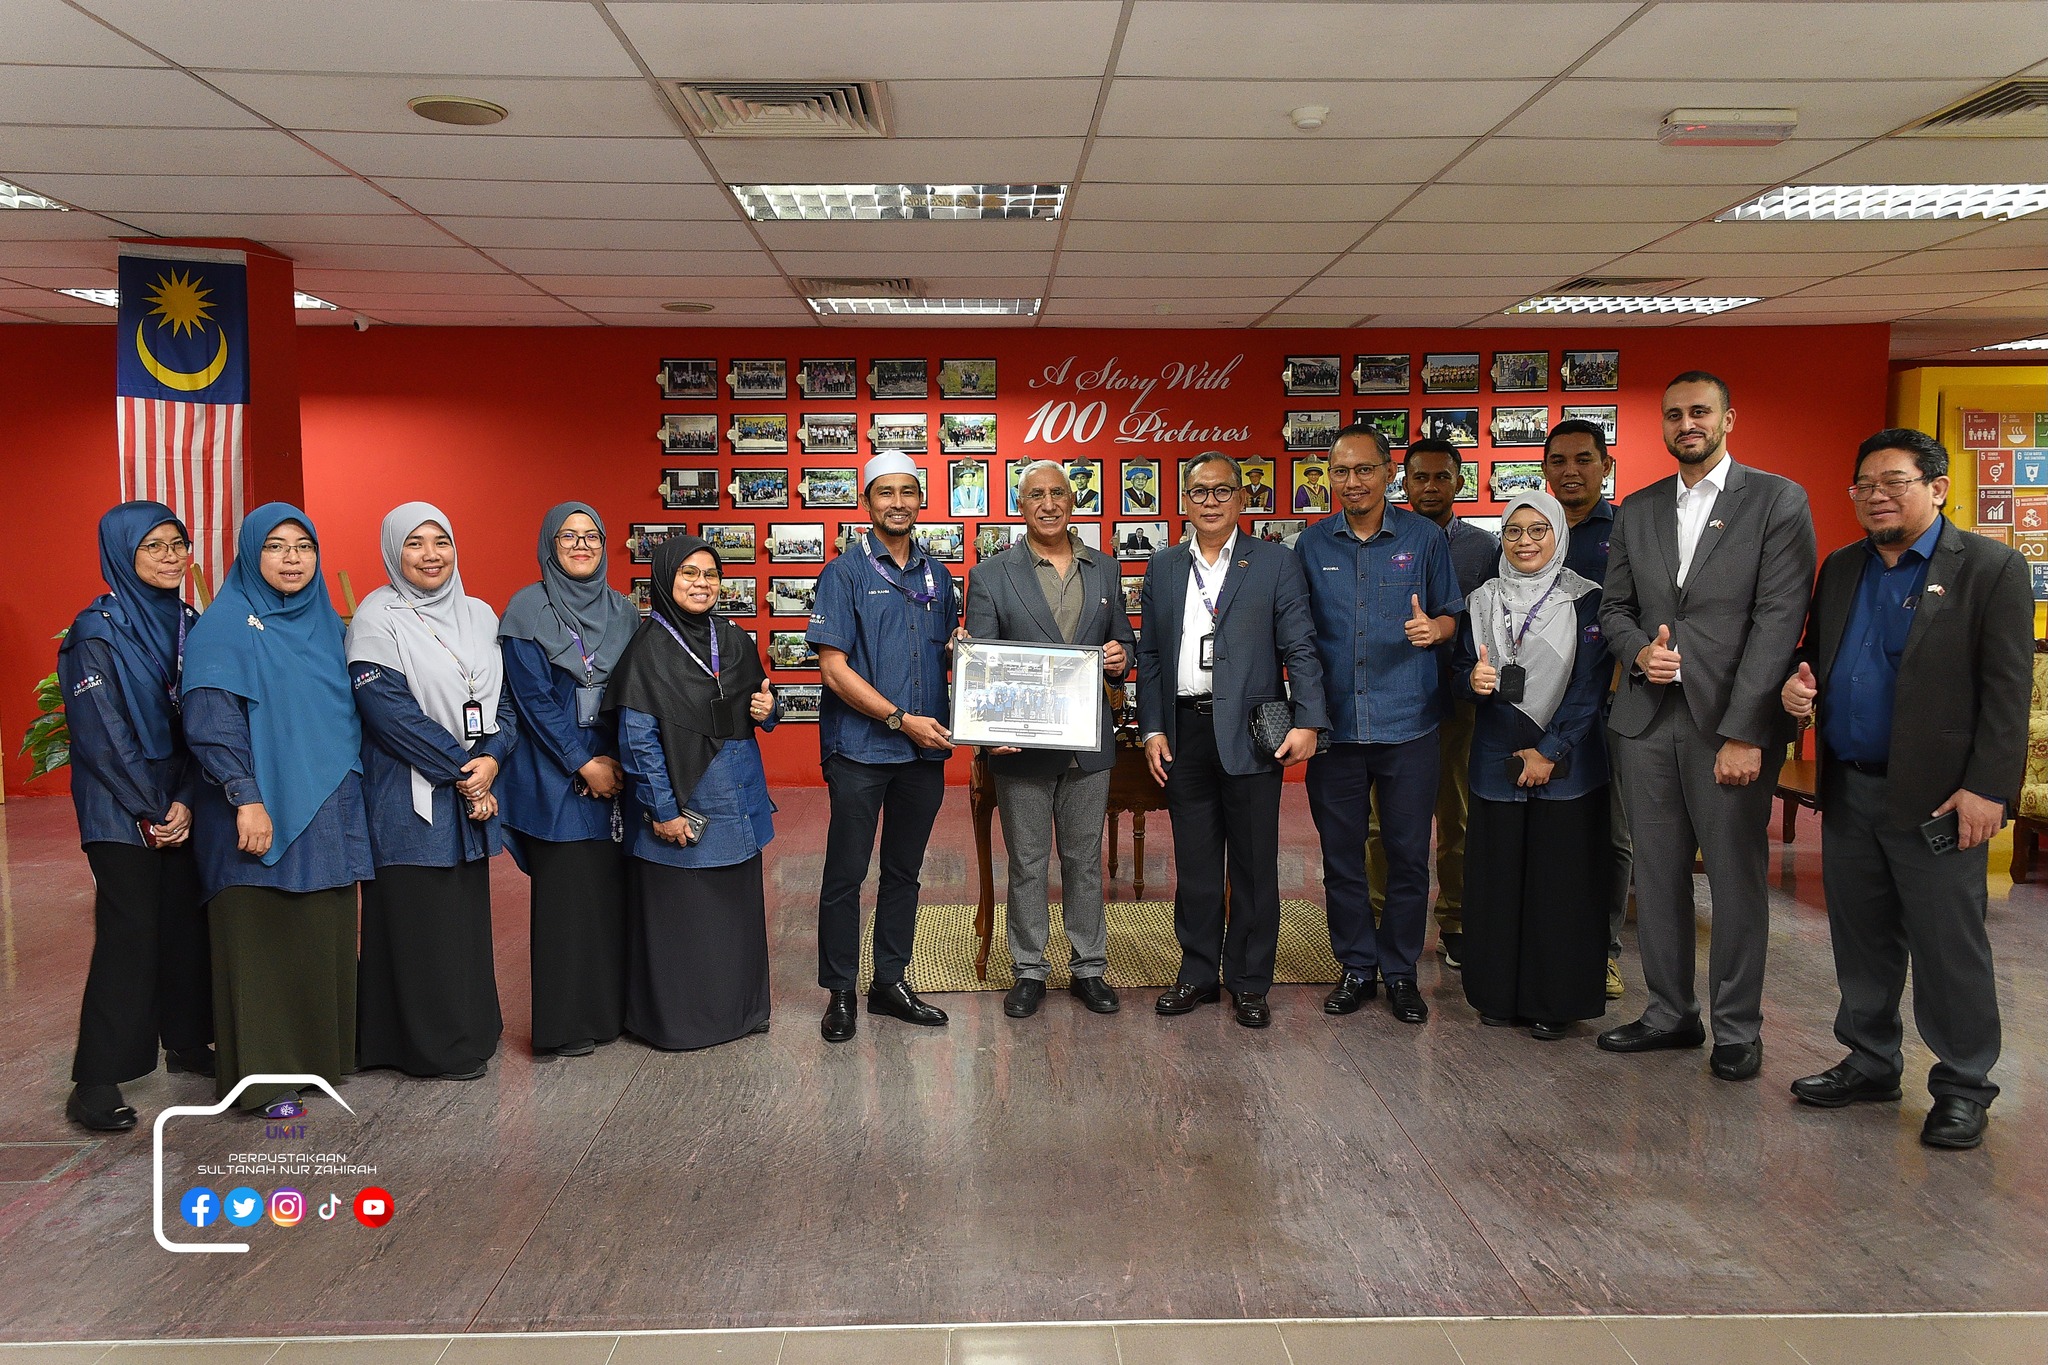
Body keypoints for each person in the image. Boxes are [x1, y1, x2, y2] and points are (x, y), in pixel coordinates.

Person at [1780, 428, 2031, 1150]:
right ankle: (1870, 1060)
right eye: (1863, 484)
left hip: (1940, 799)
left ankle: (1962, 1086)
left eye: (1894, 482)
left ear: (1938, 488)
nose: (1876, 496)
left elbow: (2008, 692)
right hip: (1851, 787)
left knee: (1949, 947)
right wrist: (1797, 687)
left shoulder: (1990, 568)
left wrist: (1988, 789)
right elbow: (1815, 655)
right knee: (1862, 938)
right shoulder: (1842, 567)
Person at [1598, 372, 1815, 1081]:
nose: (1686, 423)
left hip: (1729, 725)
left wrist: (1747, 731)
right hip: (1646, 720)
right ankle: (1670, 1013)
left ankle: (1737, 1028)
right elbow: (1614, 609)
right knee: (1657, 875)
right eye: (1674, 414)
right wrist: (1640, 652)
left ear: (1729, 419)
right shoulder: (1637, 508)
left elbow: (1779, 620)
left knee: (1734, 879)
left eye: (1700, 412)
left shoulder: (1777, 500)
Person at [182, 504, 373, 1119]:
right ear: (249, 554)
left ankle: (317, 1062)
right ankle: (264, 1081)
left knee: (320, 930)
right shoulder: (223, 627)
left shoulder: (326, 623)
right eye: (275, 546)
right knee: (260, 939)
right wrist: (247, 797)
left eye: (304, 546)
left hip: (328, 802)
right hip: (255, 807)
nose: (292, 559)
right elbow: (211, 721)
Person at [1139, 452, 1327, 1028]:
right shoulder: (1164, 567)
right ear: (1184, 501)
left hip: (1251, 732)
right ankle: (1197, 973)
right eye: (1200, 491)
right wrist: (1152, 728)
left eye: (1222, 491)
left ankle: (1248, 981)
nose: (1211, 501)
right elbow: (1150, 656)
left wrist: (1309, 721)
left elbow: (1300, 646)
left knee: (1253, 865)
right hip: (1185, 732)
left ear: (1242, 499)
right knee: (1195, 866)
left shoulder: (1274, 562)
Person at [1295, 425, 1464, 1026]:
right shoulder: (1311, 545)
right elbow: (1297, 634)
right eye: (1341, 472)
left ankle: (1400, 972)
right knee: (1341, 858)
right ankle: (1356, 967)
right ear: (1329, 478)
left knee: (1408, 857)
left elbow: (1453, 613)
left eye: (1364, 469)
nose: (1353, 482)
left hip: (1409, 723)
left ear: (1389, 473)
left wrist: (1435, 630)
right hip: (1335, 729)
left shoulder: (1424, 539)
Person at [57, 502, 212, 1131]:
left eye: (178, 544)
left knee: (185, 924)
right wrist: (152, 807)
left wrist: (185, 799)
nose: (171, 557)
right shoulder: (95, 631)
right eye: (154, 546)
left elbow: (203, 720)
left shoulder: (191, 624)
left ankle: (188, 1042)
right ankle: (96, 1080)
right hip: (119, 807)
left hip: (180, 800)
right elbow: (102, 735)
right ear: (123, 553)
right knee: (131, 934)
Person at [347, 503, 515, 1082]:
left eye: (440, 541)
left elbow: (505, 701)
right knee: (418, 921)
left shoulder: (479, 614)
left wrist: (491, 756)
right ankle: (431, 1047)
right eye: (414, 543)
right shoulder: (376, 617)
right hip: (407, 797)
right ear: (393, 551)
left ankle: (471, 1030)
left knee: (461, 920)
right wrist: (467, 770)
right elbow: (388, 714)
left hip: (471, 788)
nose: (430, 555)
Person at [964, 460, 1136, 1019]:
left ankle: (1089, 967)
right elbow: (981, 663)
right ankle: (1029, 969)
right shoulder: (992, 575)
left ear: (1072, 500)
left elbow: (1124, 643)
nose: (1048, 503)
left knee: (1083, 861)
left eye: (1057, 493)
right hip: (1022, 746)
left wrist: (1121, 658)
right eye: (1036, 494)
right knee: (1028, 861)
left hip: (1088, 743)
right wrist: (987, 734)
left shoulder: (1105, 568)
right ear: (1021, 506)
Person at [806, 452, 961, 1041]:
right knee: (845, 874)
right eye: (885, 493)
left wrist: (964, 649)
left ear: (920, 499)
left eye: (907, 492)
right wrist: (901, 720)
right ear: (866, 502)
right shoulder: (843, 574)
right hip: (860, 751)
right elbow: (834, 671)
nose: (898, 503)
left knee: (904, 872)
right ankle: (840, 991)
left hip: (923, 755)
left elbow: (947, 655)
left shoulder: (938, 576)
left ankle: (889, 983)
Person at [607, 535, 781, 1050]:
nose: (702, 584)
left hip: (739, 797)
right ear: (665, 579)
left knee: (735, 915)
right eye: (689, 573)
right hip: (687, 803)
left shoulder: (732, 638)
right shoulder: (647, 649)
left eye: (710, 574)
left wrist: (768, 711)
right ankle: (684, 1024)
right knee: (685, 920)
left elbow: (762, 700)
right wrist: (663, 810)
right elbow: (637, 740)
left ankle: (740, 1013)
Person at [1455, 491, 1614, 1039]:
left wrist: (1550, 751)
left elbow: (1591, 684)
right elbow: (1458, 671)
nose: (1525, 541)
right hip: (1496, 754)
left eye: (1538, 530)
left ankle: (1555, 1001)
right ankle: (1496, 994)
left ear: (1558, 536)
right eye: (1513, 531)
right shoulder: (1480, 600)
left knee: (1559, 883)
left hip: (1568, 759)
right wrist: (1471, 681)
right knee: (1497, 880)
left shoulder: (1586, 599)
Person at [497, 502, 639, 1059]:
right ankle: (564, 1025)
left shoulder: (623, 611)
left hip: (614, 771)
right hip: (553, 775)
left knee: (607, 897)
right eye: (568, 537)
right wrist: (583, 763)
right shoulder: (526, 610)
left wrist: (615, 761)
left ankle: (608, 1014)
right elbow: (531, 700)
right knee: (565, 902)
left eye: (591, 537)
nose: (582, 546)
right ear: (549, 547)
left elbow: (635, 691)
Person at [1364, 437, 1498, 970]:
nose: (1431, 486)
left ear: (1459, 482)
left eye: (1442, 477)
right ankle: (1380, 919)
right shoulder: (1383, 537)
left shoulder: (1484, 549)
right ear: (1404, 482)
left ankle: (1457, 920)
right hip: (1395, 699)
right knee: (1383, 823)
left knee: (1457, 816)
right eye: (1420, 477)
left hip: (1459, 698)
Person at [1543, 418, 1631, 1002]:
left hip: (1611, 705)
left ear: (1605, 465)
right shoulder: (1532, 527)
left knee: (1612, 833)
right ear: (1544, 469)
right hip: (1538, 705)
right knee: (1550, 829)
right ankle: (1547, 941)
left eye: (1583, 459)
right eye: (1559, 461)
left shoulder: (1626, 531)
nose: (1570, 471)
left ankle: (1604, 952)